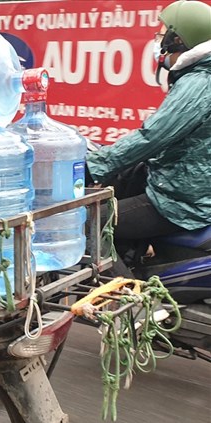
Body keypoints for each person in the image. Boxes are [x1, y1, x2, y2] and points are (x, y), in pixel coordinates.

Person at [86, 0, 211, 276]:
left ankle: (134, 309)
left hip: (181, 202)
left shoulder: (199, 83)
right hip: (189, 188)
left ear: (178, 39)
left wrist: (93, 166)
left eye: (162, 33)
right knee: (130, 177)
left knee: (88, 224)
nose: (157, 39)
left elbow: (152, 136)